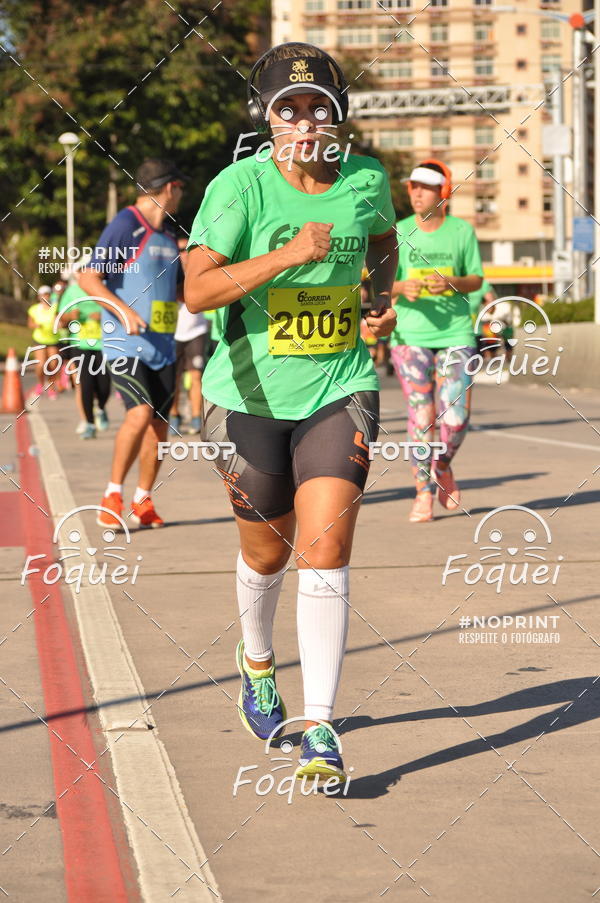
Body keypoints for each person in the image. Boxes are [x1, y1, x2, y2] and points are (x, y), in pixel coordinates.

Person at [184, 42, 398, 781]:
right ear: (267, 119)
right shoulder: (238, 188)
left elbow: (383, 240)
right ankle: (257, 662)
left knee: (327, 545)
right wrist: (288, 257)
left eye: (320, 107)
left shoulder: (367, 179)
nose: (305, 120)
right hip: (246, 399)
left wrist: (378, 303)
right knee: (267, 552)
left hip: (340, 386)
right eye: (289, 108)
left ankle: (322, 730)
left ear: (338, 119)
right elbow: (200, 292)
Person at [79, 158, 185, 528]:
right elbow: (89, 278)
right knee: (138, 414)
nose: (181, 195)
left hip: (164, 347)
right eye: (180, 188)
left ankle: (143, 499)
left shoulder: (170, 237)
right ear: (169, 187)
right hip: (124, 344)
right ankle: (111, 494)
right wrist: (123, 311)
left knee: (158, 427)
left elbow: (183, 291)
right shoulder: (126, 225)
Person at [390, 160, 483, 523]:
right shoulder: (397, 232)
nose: (416, 193)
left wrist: (452, 282)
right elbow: (377, 282)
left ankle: (441, 466)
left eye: (425, 187)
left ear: (443, 193)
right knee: (422, 416)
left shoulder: (461, 232)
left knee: (456, 417)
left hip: (455, 333)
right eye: (412, 186)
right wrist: (401, 287)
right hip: (409, 334)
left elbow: (476, 279)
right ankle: (423, 491)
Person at [57, 263, 111, 439]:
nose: (83, 273)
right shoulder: (71, 292)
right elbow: (60, 320)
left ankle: (101, 408)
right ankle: (88, 423)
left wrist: (103, 316)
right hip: (79, 344)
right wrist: (70, 316)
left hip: (103, 344)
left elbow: (116, 311)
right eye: (80, 270)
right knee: (85, 385)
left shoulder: (105, 288)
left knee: (104, 386)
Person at [169, 237, 209, 435]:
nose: (183, 253)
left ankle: (196, 417)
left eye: (187, 249)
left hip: (196, 331)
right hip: (173, 332)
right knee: (174, 377)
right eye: (180, 249)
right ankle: (174, 417)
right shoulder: (168, 272)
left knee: (195, 376)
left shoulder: (200, 269)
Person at [27, 285, 61, 399]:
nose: (45, 296)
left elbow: (60, 320)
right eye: (43, 295)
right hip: (40, 339)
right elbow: (30, 323)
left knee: (53, 364)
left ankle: (51, 387)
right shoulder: (34, 309)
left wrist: (58, 323)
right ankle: (40, 384)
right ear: (39, 297)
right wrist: (35, 325)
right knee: (41, 364)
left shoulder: (55, 307)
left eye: (47, 294)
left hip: (53, 339)